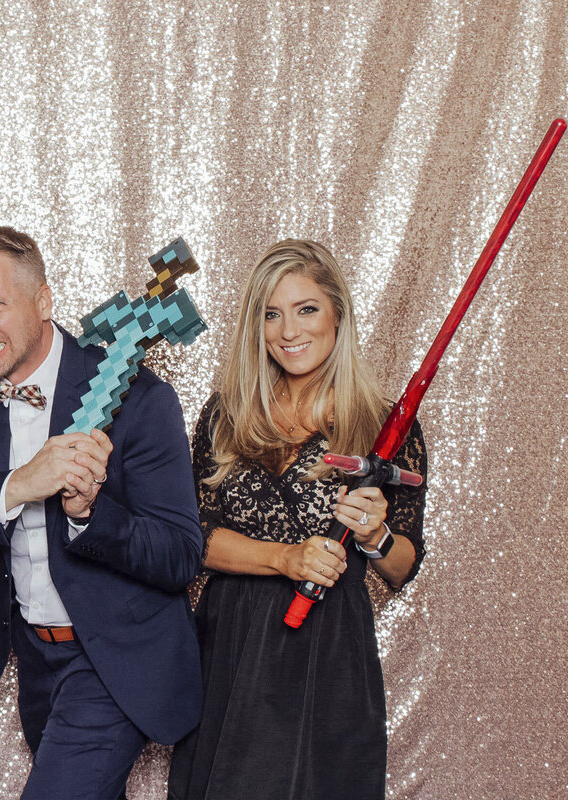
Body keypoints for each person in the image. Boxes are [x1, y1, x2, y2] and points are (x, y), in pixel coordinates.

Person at [0, 226, 204, 800]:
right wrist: (20, 483)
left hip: (114, 658)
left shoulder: (139, 396)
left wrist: (88, 515)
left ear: (43, 302)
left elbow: (181, 555)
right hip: (34, 657)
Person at [167, 239, 429, 800]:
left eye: (306, 309)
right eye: (271, 313)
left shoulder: (384, 428)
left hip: (328, 649)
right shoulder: (226, 415)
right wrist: (286, 558)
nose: (288, 330)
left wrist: (375, 535)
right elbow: (195, 540)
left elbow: (403, 566)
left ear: (337, 314)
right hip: (231, 643)